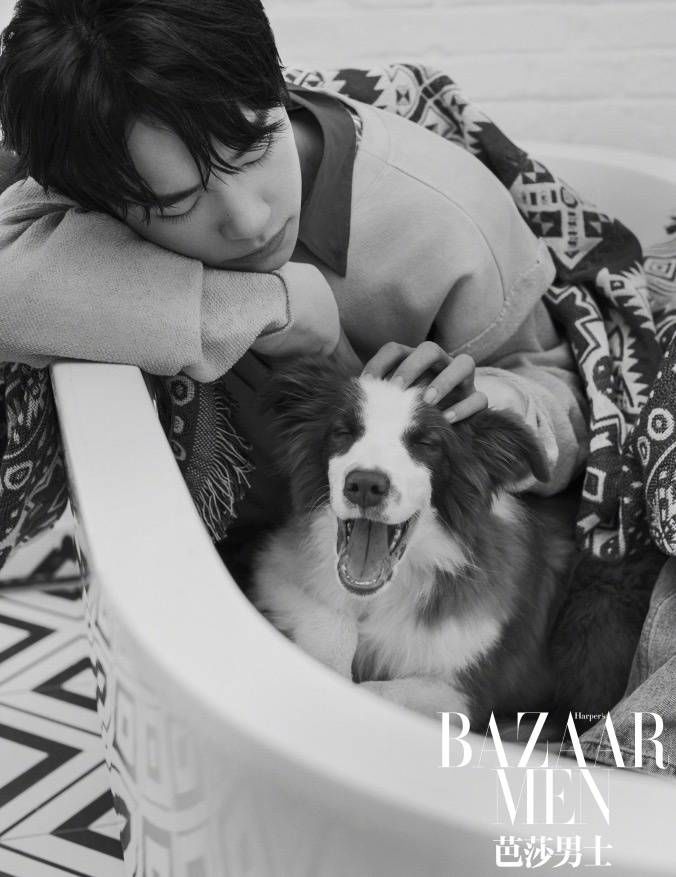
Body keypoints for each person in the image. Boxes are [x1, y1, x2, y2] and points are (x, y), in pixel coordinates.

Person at [0, 0, 588, 542]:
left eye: (255, 148)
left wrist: (479, 403)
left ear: (277, 89)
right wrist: (278, 309)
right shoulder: (97, 161)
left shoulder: (448, 219)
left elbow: (567, 407)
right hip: (219, 555)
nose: (249, 220)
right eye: (176, 205)